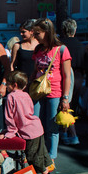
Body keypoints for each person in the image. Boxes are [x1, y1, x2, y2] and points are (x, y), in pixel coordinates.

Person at [0, 71, 57, 174]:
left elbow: (10, 118)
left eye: (8, 84)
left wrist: (9, 133)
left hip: (29, 132)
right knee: (42, 153)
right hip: (37, 127)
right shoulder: (26, 95)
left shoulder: (11, 97)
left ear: (14, 85)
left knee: (32, 156)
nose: (7, 86)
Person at [31, 18, 72, 164]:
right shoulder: (38, 49)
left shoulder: (61, 49)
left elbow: (67, 76)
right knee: (35, 124)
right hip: (37, 92)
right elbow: (34, 71)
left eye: (37, 33)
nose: (34, 36)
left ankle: (51, 159)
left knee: (51, 127)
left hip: (54, 93)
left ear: (47, 32)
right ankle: (37, 155)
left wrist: (65, 98)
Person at [60, 18, 85, 145]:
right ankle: (67, 133)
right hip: (78, 78)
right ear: (75, 30)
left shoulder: (60, 45)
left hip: (63, 78)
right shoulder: (80, 45)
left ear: (63, 30)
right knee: (72, 107)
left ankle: (69, 134)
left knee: (64, 107)